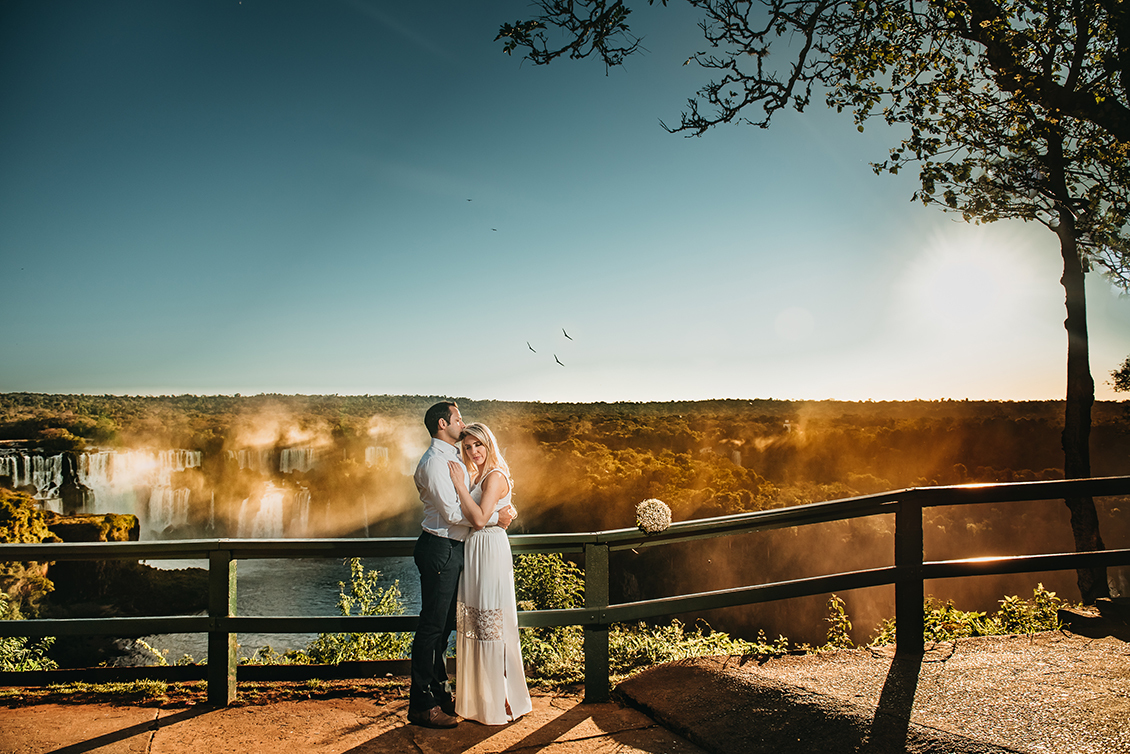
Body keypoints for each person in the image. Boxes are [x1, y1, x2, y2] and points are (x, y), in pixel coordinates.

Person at [408, 401, 512, 729]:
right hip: (440, 548)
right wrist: (498, 517)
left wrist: (499, 507)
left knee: (445, 629)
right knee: (432, 628)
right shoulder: (436, 463)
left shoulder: (452, 457)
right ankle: (423, 705)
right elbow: (455, 514)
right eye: (458, 419)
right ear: (443, 424)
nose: (462, 424)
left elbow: (480, 493)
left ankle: (440, 695)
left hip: (454, 549)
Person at [446, 422, 532, 725]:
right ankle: (483, 698)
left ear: (489, 444)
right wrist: (500, 513)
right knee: (477, 624)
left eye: (478, 445)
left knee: (493, 624)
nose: (473, 451)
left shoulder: (494, 475)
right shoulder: (477, 475)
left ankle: (505, 699)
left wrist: (459, 486)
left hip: (489, 551)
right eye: (467, 447)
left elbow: (479, 519)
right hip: (474, 551)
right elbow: (479, 515)